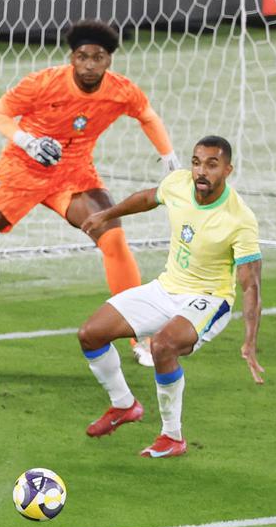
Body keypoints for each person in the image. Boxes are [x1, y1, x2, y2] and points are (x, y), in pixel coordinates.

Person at [0, 20, 180, 368]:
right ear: (72, 57)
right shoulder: (43, 83)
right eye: (82, 56)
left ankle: (139, 335)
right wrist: (28, 141)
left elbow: (147, 115)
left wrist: (169, 157)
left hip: (74, 175)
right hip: (19, 172)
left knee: (113, 239)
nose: (89, 65)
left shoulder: (121, 90)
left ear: (109, 60)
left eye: (98, 57)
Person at [76, 136, 264, 458]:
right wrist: (106, 215)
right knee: (90, 334)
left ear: (228, 170)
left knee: (162, 346)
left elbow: (251, 285)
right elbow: (146, 198)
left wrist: (249, 341)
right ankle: (124, 405)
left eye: (212, 164)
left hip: (208, 298)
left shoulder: (239, 219)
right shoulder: (178, 183)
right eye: (196, 162)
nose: (201, 171)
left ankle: (172, 437)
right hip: (166, 287)